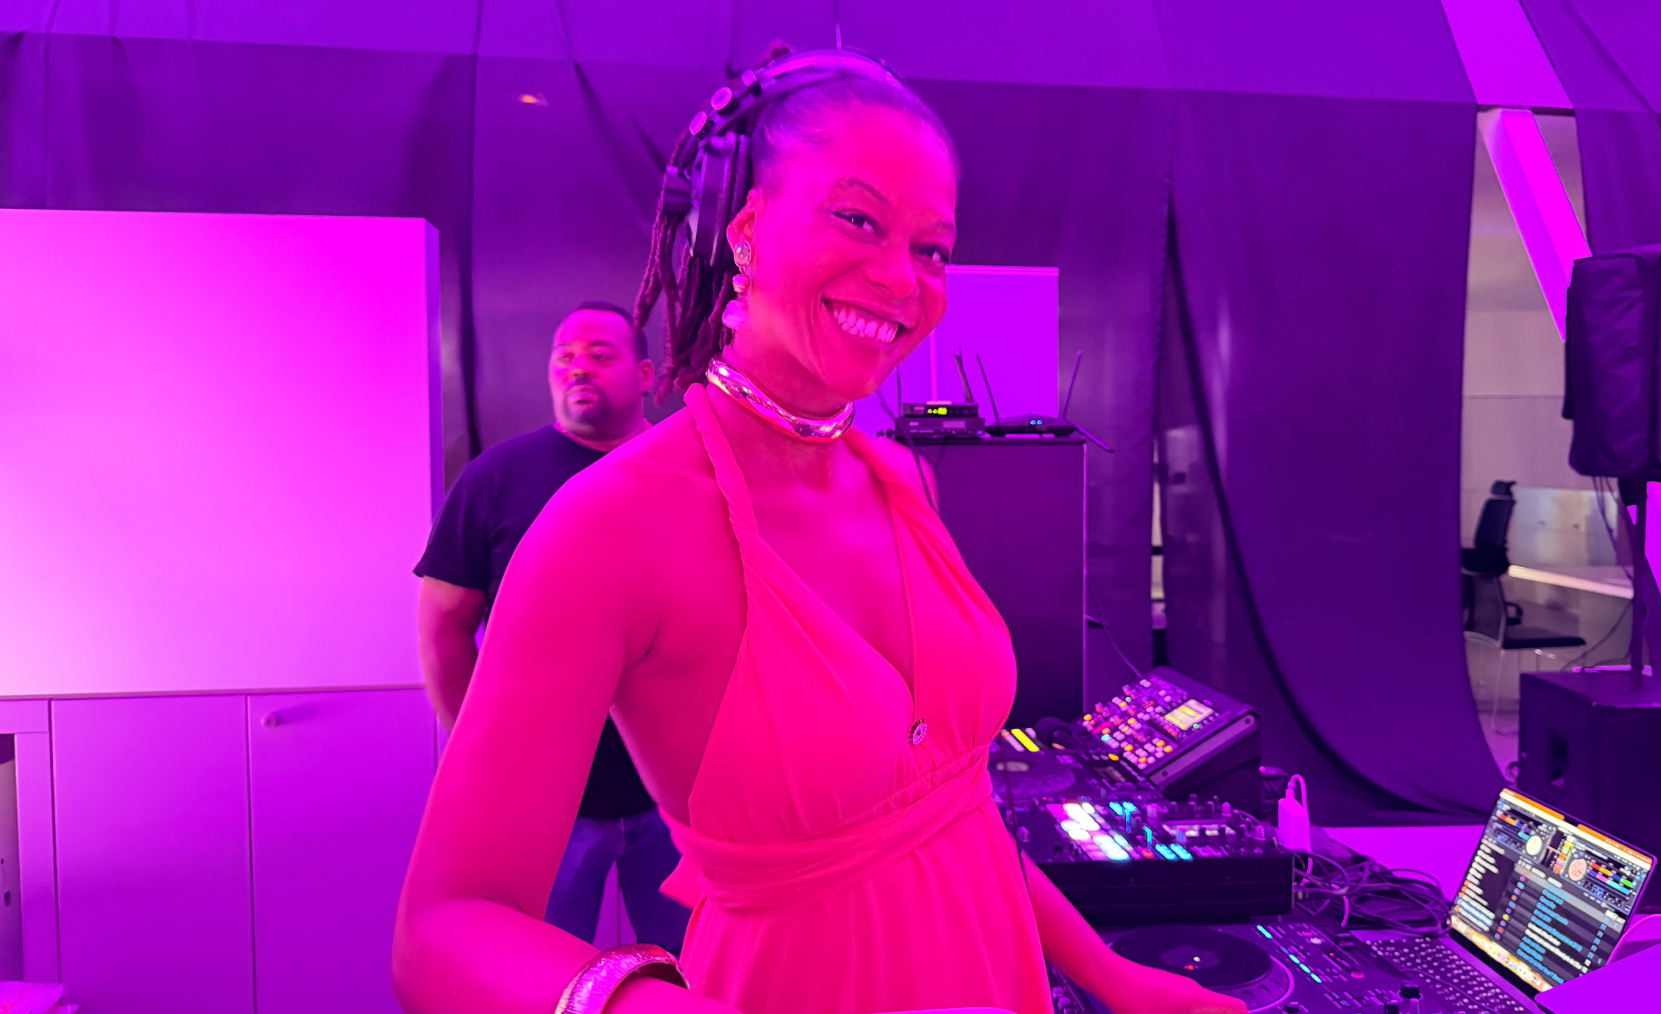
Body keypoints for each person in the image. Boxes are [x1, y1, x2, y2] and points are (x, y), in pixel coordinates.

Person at [394, 50, 1246, 1014]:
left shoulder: (908, 484)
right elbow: (442, 928)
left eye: (932, 249)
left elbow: (955, 815)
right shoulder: (611, 525)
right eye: (858, 220)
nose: (901, 279)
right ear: (748, 229)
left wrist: (1114, 977)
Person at [411, 302, 688, 953]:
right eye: (564, 357)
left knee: (696, 976)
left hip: (683, 803)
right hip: (546, 807)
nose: (578, 368)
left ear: (646, 374)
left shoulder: (696, 471)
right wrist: (476, 752)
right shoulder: (495, 479)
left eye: (600, 354)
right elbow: (443, 625)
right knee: (541, 977)